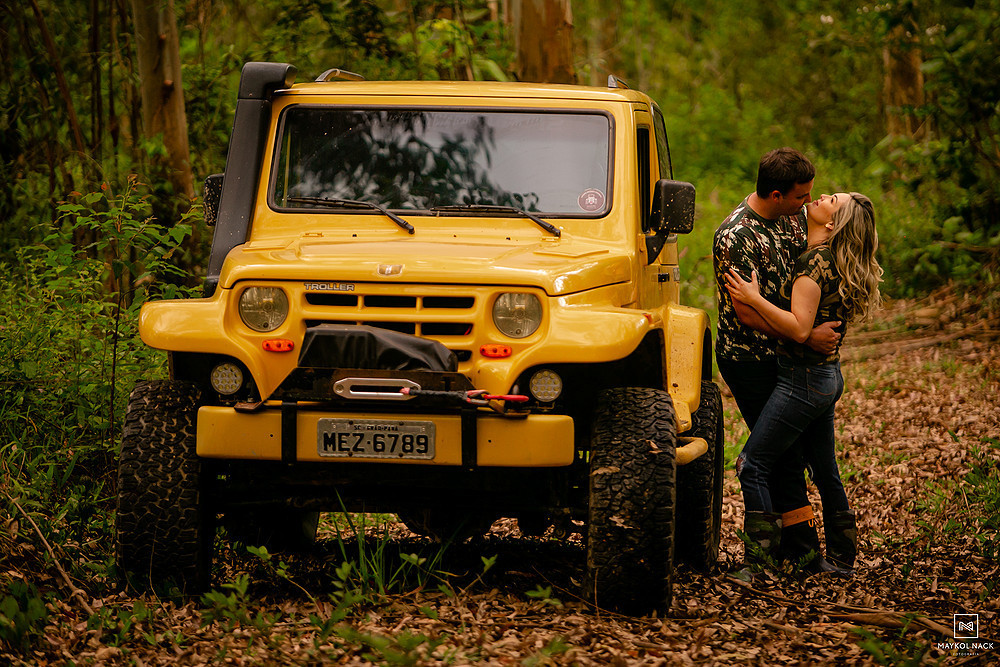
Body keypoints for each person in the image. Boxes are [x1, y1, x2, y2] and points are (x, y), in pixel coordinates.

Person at [724, 192, 882, 573]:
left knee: (752, 465)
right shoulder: (828, 257)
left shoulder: (814, 264)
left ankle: (759, 563)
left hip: (804, 381)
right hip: (826, 376)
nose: (823, 196)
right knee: (825, 469)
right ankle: (842, 561)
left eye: (832, 200)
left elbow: (798, 329)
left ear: (832, 224)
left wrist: (753, 297)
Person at [713, 148, 843, 573]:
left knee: (791, 454)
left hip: (789, 357)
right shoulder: (734, 236)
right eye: (800, 196)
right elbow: (746, 313)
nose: (808, 203)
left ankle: (800, 552)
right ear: (775, 193)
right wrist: (804, 335)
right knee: (776, 456)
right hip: (748, 359)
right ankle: (789, 555)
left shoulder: (792, 219)